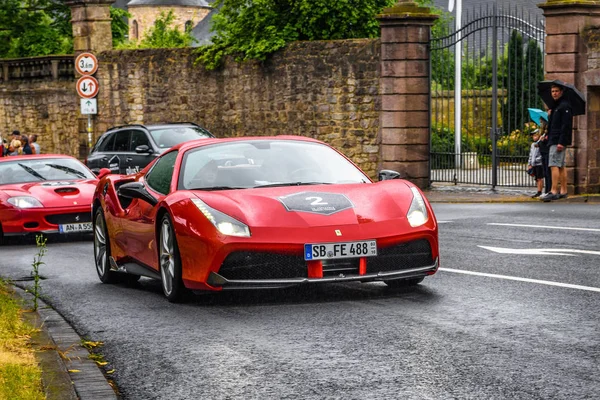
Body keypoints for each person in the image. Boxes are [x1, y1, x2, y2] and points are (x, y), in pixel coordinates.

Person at [540, 84, 572, 202]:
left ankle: (554, 191)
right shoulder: (557, 107)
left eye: (556, 91)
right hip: (554, 139)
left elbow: (566, 126)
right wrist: (550, 115)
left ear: (561, 92)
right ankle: (563, 191)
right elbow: (554, 125)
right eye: (552, 91)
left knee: (553, 165)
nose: (554, 93)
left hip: (557, 140)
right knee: (561, 166)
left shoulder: (564, 106)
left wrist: (561, 142)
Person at [527, 129, 545, 198]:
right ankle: (538, 190)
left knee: (540, 178)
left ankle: (540, 191)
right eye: (533, 136)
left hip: (539, 163)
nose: (534, 137)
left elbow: (541, 154)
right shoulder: (532, 145)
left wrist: (537, 160)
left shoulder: (540, 143)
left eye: (535, 135)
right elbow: (531, 154)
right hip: (534, 164)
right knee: (537, 178)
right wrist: (530, 163)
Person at [537, 118, 552, 194]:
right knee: (545, 173)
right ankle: (547, 190)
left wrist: (543, 140)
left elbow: (548, 142)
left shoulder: (548, 133)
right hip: (543, 153)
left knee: (548, 173)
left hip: (547, 153)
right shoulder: (543, 133)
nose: (540, 123)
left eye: (541, 122)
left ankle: (549, 190)